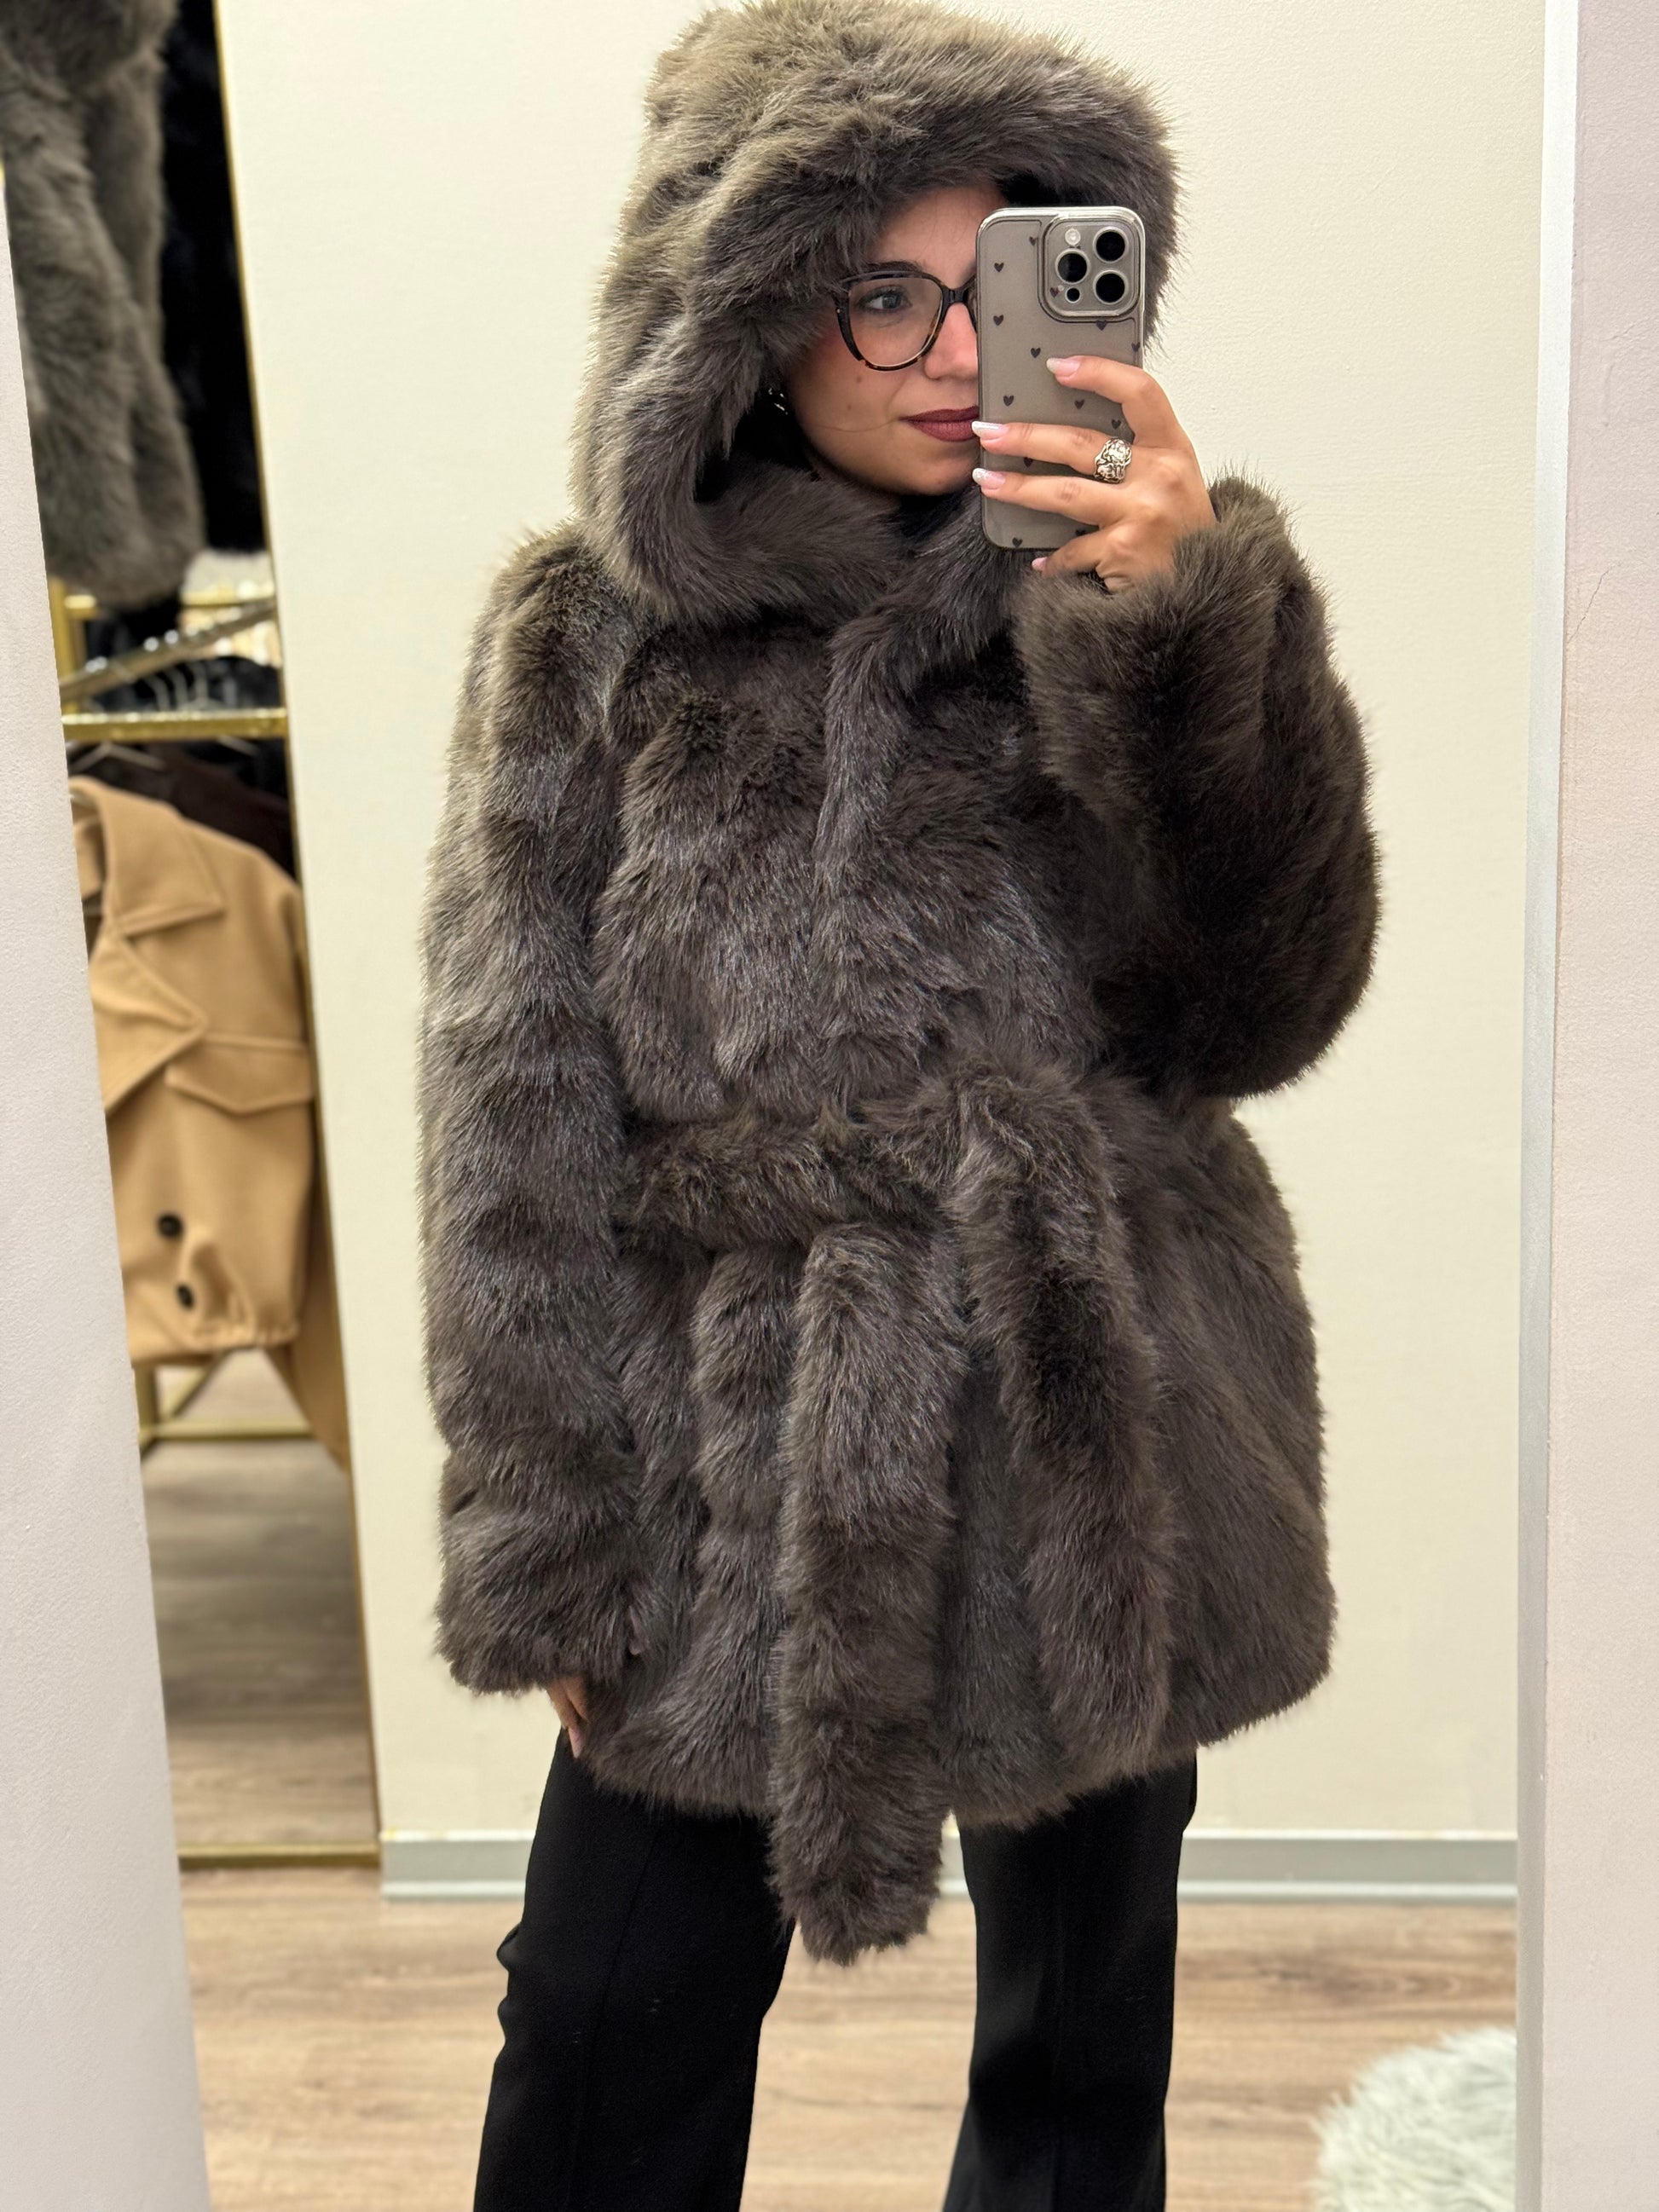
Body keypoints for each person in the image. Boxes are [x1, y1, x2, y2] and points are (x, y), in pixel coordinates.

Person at [417, 3, 1379, 2205]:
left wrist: (1170, 637)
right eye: (882, 292)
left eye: (1007, 279)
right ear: (751, 304)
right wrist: (543, 1517)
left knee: (1079, 2029)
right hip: (730, 1419)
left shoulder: (1157, 580)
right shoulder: (588, 633)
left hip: (1097, 1396)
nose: (951, 350)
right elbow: (508, 1094)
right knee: (607, 2010)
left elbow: (1262, 1005)